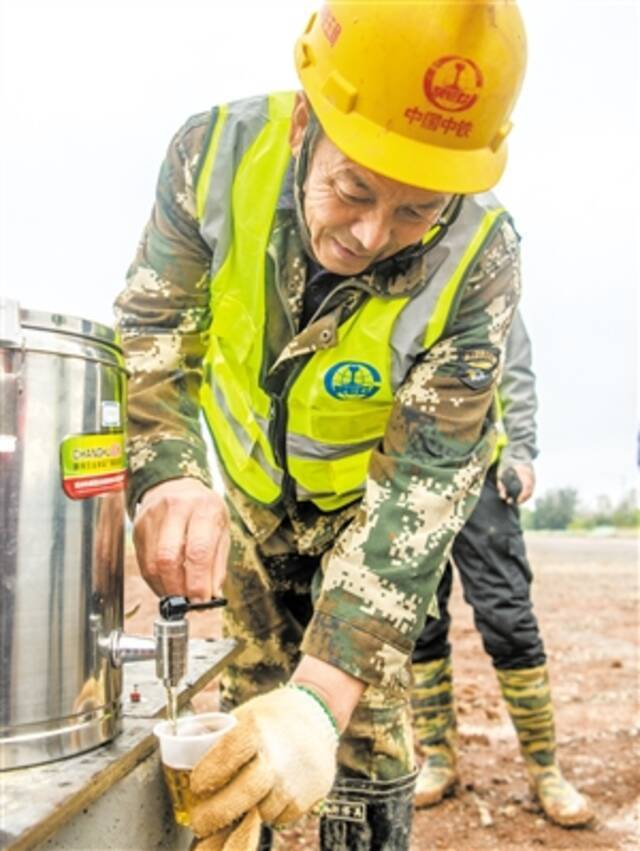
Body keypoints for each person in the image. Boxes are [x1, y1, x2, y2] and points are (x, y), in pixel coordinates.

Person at [115, 2, 527, 848]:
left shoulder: (482, 257)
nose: (373, 235)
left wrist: (319, 700)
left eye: (419, 211)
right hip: (250, 504)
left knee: (359, 738)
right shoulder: (214, 157)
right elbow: (156, 334)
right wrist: (168, 472)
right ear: (307, 116)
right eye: (354, 189)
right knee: (240, 747)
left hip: (365, 520)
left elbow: (426, 484)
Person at [411, 312, 594, 827]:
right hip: (409, 479)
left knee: (509, 619)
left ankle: (545, 769)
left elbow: (514, 371)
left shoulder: (485, 283)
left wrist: (520, 452)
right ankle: (439, 758)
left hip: (482, 476)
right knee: (420, 626)